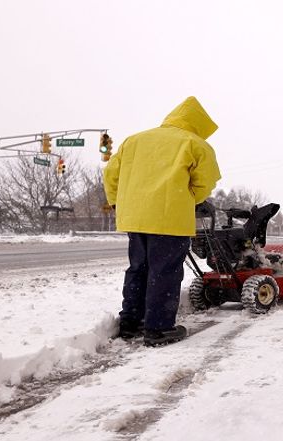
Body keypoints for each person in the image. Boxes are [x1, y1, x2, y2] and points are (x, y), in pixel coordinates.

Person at [103, 96, 221, 347]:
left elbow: (111, 175)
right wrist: (190, 199)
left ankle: (130, 323)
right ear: (198, 124)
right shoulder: (195, 144)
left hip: (135, 217)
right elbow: (204, 184)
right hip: (170, 217)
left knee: (138, 268)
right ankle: (158, 328)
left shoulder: (133, 140)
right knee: (164, 271)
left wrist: (118, 202)